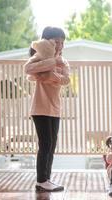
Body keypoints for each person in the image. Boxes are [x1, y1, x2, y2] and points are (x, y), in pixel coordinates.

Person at [24, 26, 70, 192]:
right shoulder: (38, 57)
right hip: (40, 108)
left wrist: (49, 76)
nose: (60, 45)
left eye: (62, 42)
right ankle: (41, 180)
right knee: (46, 144)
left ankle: (46, 179)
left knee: (51, 146)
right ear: (47, 42)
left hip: (55, 109)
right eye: (56, 41)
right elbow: (28, 70)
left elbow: (66, 80)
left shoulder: (64, 61)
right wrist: (51, 63)